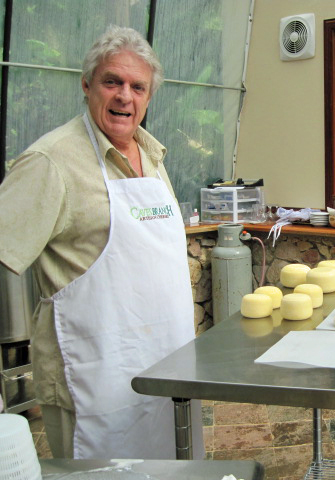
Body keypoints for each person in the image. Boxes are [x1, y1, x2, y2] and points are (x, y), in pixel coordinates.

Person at [0, 25, 203, 459]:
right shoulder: (51, 162)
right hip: (93, 380)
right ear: (87, 85)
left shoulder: (151, 155)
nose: (124, 96)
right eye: (112, 82)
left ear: (149, 97)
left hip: (164, 371)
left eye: (137, 87)